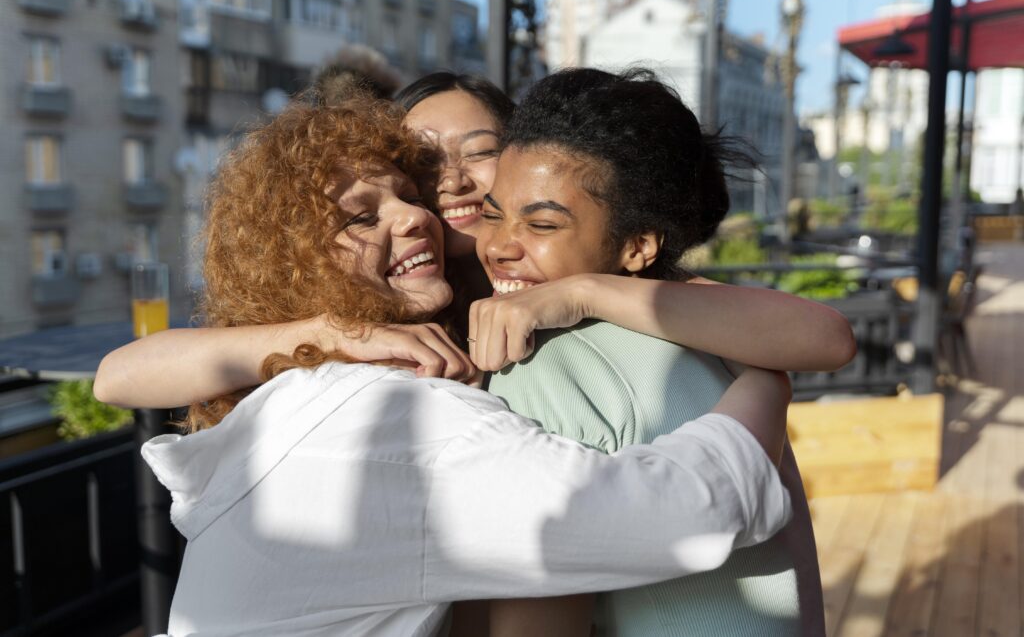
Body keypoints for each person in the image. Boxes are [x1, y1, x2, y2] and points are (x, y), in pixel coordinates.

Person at [135, 95, 794, 635]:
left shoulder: (295, 394)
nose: (416, 217)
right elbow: (688, 511)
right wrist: (767, 381)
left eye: (406, 195)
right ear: (293, 262)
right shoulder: (400, 418)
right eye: (363, 217)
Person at [467, 68, 820, 636]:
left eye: (540, 224)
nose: (500, 246)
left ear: (636, 247)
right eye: (491, 213)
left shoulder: (539, 364)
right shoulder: (718, 337)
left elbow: (539, 619)